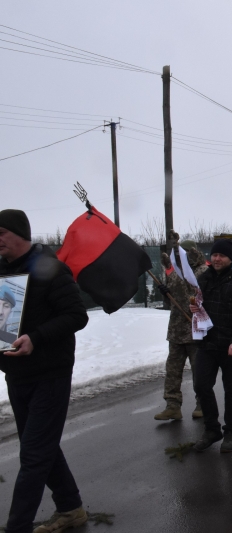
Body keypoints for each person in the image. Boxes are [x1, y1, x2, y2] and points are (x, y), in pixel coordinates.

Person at [0, 209, 90, 533]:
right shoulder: (2, 272)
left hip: (50, 374)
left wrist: (36, 339)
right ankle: (71, 508)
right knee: (39, 447)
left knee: (34, 456)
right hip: (16, 373)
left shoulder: (50, 268)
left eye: (0, 234)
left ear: (19, 234)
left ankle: (17, 527)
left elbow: (77, 315)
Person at [190, 239, 232, 453]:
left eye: (221, 256)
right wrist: (195, 309)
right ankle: (212, 429)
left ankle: (231, 433)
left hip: (230, 346)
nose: (217, 259)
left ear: (230, 259)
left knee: (231, 390)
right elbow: (199, 307)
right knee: (201, 385)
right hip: (207, 343)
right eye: (214, 255)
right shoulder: (203, 278)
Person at [154, 233, 208, 421]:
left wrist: (172, 277)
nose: (181, 258)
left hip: (195, 330)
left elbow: (190, 295)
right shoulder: (176, 272)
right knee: (173, 370)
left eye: (184, 254)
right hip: (177, 329)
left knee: (199, 371)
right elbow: (172, 302)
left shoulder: (202, 272)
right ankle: (172, 405)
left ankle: (203, 403)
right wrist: (165, 292)